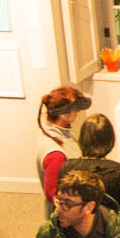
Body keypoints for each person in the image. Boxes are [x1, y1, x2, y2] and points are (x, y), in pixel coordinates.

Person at [59, 112, 120, 228]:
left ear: (82, 139)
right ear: (110, 140)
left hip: (74, 235)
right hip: (110, 235)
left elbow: (61, 208)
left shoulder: (67, 167)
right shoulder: (118, 171)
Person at [36, 85, 93, 216]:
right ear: (63, 114)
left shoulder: (49, 129)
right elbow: (53, 195)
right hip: (68, 217)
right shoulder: (56, 155)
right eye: (75, 109)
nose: (78, 112)